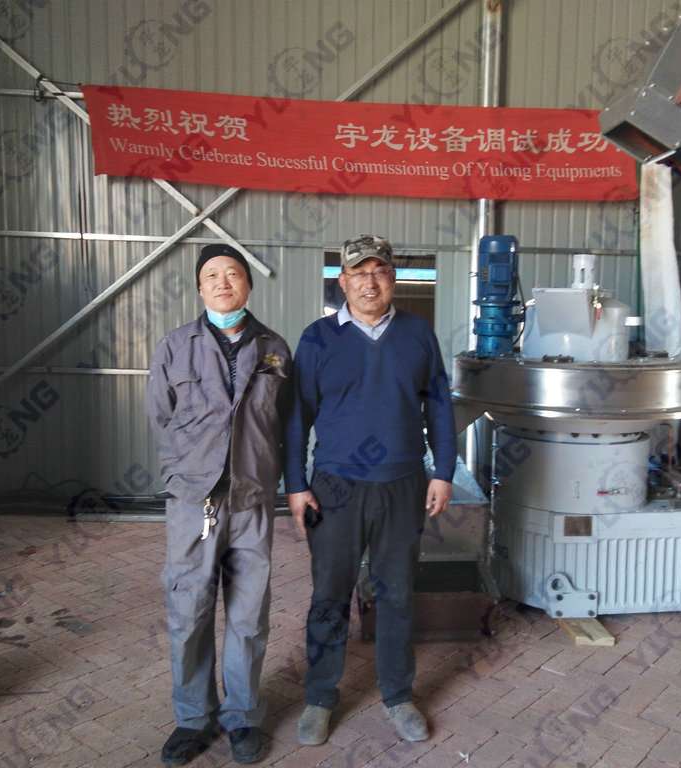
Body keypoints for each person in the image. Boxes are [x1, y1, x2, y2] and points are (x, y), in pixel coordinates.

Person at [285, 234, 456, 745]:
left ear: (393, 278)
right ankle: (320, 697)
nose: (370, 282)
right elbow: (296, 416)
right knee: (329, 595)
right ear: (342, 281)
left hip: (402, 484)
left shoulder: (417, 335)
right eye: (359, 273)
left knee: (397, 594)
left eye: (380, 271)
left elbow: (439, 406)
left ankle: (398, 695)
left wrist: (443, 471)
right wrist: (295, 484)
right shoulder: (318, 339)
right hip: (335, 487)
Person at [146, 243, 291, 766]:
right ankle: (193, 718)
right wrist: (179, 476)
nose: (223, 282)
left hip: (252, 498)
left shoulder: (274, 349)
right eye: (212, 275)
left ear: (248, 283)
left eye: (233, 273)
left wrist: (273, 474)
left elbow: (286, 419)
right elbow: (159, 417)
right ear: (199, 287)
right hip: (194, 501)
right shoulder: (174, 346)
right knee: (189, 611)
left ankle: (243, 716)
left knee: (248, 616)